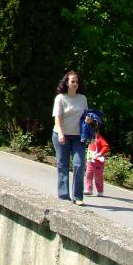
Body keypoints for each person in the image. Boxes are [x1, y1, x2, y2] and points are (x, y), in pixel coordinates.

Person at [52, 71, 88, 205]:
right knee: (63, 165)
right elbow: (57, 118)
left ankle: (78, 197)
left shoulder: (82, 99)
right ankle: (63, 196)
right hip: (61, 135)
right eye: (73, 81)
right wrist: (61, 134)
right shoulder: (60, 98)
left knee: (79, 164)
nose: (75, 84)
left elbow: (85, 116)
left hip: (78, 137)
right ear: (67, 83)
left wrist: (89, 119)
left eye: (77, 81)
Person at [84, 120, 110, 196]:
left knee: (98, 177)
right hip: (90, 160)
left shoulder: (100, 139)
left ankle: (100, 191)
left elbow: (106, 147)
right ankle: (88, 189)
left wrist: (100, 153)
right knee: (88, 175)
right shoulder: (91, 139)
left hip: (98, 161)